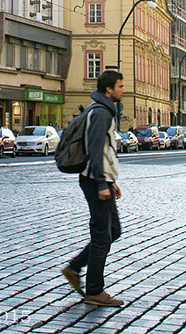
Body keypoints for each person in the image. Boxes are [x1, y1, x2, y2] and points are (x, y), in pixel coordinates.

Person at [62, 70, 126, 308]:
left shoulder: (102, 110)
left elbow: (105, 150)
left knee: (113, 231)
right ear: (109, 90)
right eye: (120, 86)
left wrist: (111, 181)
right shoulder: (100, 113)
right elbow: (96, 149)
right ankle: (95, 291)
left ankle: (74, 267)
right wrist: (102, 183)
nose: (123, 89)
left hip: (101, 179)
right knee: (102, 237)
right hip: (94, 181)